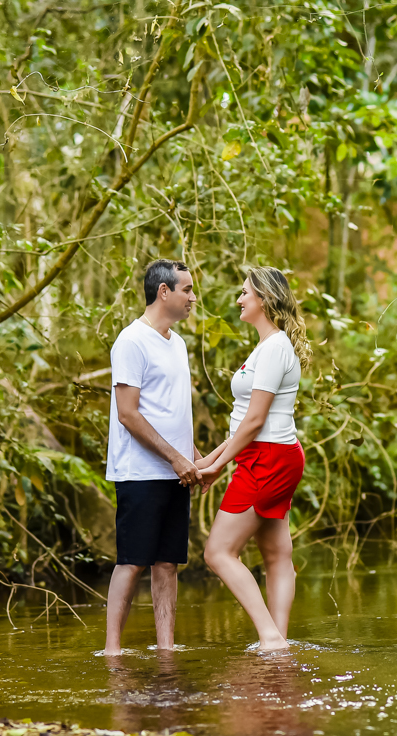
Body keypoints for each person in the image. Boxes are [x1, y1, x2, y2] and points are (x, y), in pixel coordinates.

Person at [196, 267, 311, 652]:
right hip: (265, 455)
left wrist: (217, 465)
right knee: (277, 554)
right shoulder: (266, 347)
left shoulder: (276, 347)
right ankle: (279, 644)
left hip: (269, 458)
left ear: (263, 298)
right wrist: (211, 463)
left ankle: (270, 638)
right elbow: (241, 426)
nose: (239, 299)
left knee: (217, 553)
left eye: (245, 292)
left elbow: (255, 420)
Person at [104, 259, 201, 656]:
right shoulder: (130, 341)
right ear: (164, 292)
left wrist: (194, 458)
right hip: (139, 472)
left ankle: (166, 648)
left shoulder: (176, 343)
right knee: (132, 561)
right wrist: (176, 458)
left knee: (167, 564)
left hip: (175, 473)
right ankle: (112, 650)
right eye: (187, 290)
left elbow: (173, 411)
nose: (193, 298)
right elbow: (128, 414)